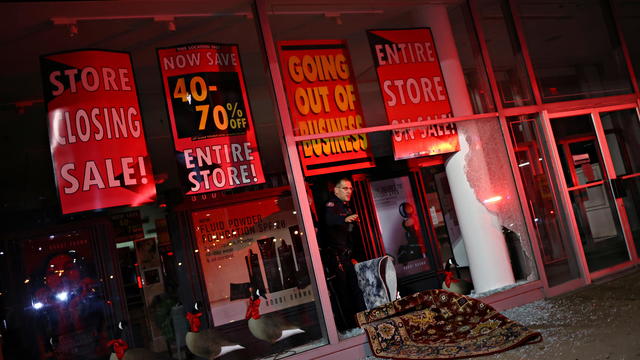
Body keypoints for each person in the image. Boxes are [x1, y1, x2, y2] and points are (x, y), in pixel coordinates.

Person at [321, 177, 365, 331]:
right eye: (345, 188)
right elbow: (329, 220)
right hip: (336, 257)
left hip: (347, 256)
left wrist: (354, 255)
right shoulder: (331, 205)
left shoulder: (346, 207)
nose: (349, 191)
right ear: (336, 190)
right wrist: (344, 219)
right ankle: (349, 327)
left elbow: (350, 236)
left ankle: (361, 321)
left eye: (351, 188)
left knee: (355, 288)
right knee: (344, 292)